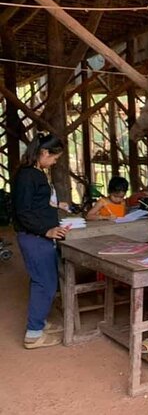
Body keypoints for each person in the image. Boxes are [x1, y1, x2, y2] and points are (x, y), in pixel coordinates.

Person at [13, 133, 70, 349]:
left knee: (42, 279)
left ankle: (39, 322)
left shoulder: (34, 173)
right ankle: (33, 334)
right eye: (55, 158)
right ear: (44, 153)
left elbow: (35, 205)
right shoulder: (29, 176)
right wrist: (46, 230)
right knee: (45, 283)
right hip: (34, 237)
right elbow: (23, 212)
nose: (55, 162)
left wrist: (55, 207)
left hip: (36, 236)